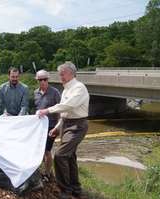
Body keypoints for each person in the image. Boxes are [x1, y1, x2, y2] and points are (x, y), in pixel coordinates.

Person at [38, 61, 89, 199]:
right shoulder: (66, 89)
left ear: (71, 73)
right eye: (60, 73)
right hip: (67, 124)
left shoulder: (79, 88)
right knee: (70, 157)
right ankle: (75, 189)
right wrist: (57, 127)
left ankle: (65, 191)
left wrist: (47, 110)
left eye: (63, 73)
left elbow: (68, 105)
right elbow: (65, 113)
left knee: (60, 155)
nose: (60, 75)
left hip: (77, 126)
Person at [33, 70, 61, 182]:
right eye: (40, 80)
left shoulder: (55, 92)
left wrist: (58, 127)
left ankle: (47, 174)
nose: (43, 82)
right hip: (40, 127)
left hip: (52, 125)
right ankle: (47, 169)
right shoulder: (35, 93)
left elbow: (61, 109)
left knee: (47, 149)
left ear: (48, 80)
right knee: (41, 149)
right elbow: (35, 110)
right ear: (37, 80)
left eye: (45, 79)